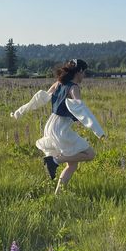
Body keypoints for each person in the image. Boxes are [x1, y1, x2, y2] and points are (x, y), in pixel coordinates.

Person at [11, 59, 105, 194]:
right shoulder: (74, 88)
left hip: (51, 125)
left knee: (72, 165)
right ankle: (55, 161)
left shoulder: (58, 83)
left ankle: (58, 194)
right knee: (90, 154)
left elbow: (39, 99)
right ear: (79, 71)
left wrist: (19, 112)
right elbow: (81, 109)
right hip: (60, 128)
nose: (84, 76)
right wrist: (99, 131)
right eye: (84, 72)